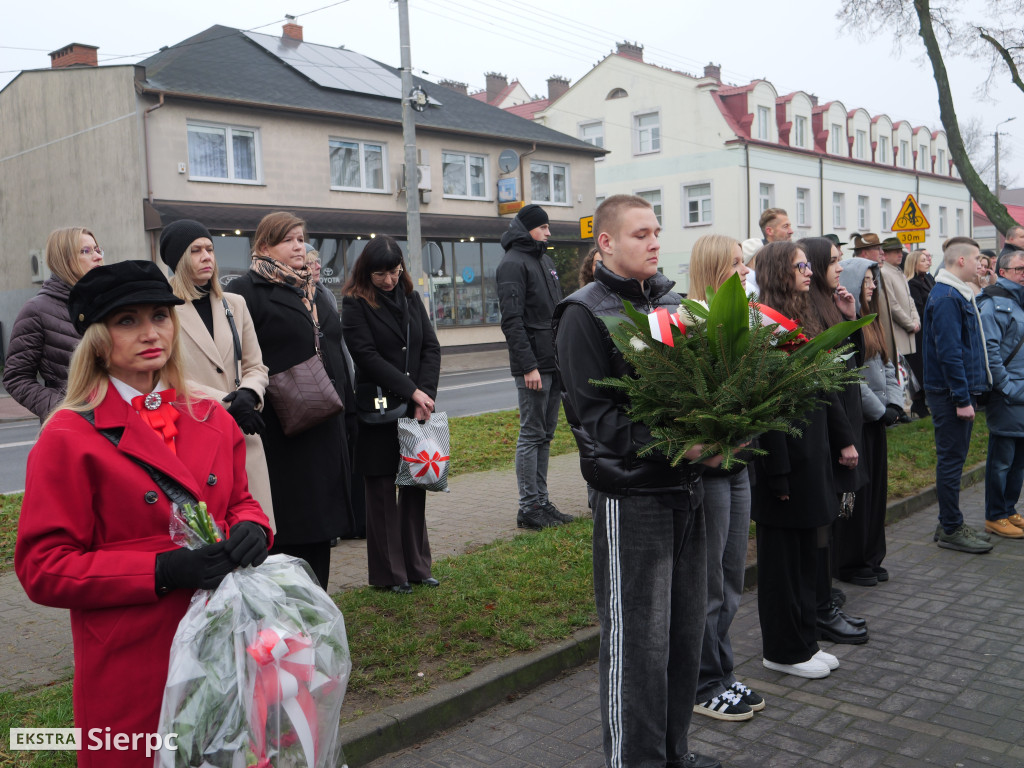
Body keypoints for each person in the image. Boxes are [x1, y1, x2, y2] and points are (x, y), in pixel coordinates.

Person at [15, 260, 272, 768]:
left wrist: (253, 530)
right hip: (133, 664)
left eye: (160, 315)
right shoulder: (68, 437)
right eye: (127, 320)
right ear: (94, 337)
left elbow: (240, 499)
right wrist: (160, 569)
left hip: (223, 652)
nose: (151, 333)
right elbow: (43, 567)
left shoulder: (211, 416)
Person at [553, 194, 722, 768]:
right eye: (640, 234)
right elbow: (599, 421)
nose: (654, 242)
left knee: (682, 638)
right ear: (605, 243)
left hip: (687, 488)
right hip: (633, 499)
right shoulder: (582, 313)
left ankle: (674, 753)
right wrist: (683, 445)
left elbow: (697, 395)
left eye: (657, 231)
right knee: (637, 648)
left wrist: (725, 435)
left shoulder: (672, 302)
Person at [226, 211, 354, 588]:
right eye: (290, 240)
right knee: (292, 530)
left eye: (302, 239)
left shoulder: (311, 291)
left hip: (325, 421)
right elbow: (242, 359)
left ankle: (318, 608)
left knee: (321, 531)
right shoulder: (246, 291)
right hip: (283, 429)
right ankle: (287, 622)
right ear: (265, 246)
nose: (301, 246)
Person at [753, 241, 846, 679]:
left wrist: (840, 441)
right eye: (800, 266)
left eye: (809, 264)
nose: (809, 271)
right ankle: (783, 649)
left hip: (811, 455)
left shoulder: (801, 315)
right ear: (778, 272)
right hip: (785, 460)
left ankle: (806, 639)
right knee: (783, 565)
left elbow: (826, 389)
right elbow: (766, 408)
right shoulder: (765, 324)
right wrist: (779, 472)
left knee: (807, 557)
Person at [687, 234, 765, 723]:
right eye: (736, 263)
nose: (744, 271)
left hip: (740, 465)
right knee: (710, 584)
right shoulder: (688, 320)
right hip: (710, 470)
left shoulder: (747, 318)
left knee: (733, 578)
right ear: (714, 267)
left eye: (745, 263)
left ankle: (722, 671)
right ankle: (702, 683)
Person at [161, 218, 276, 533]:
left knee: (253, 529)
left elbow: (256, 366)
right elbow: (168, 376)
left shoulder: (234, 305)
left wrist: (250, 394)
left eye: (210, 249)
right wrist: (230, 403)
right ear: (178, 260)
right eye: (196, 250)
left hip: (243, 431)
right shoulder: (163, 310)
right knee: (210, 533)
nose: (207, 257)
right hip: (196, 431)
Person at [342, 236, 442, 594]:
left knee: (416, 485)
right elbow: (367, 356)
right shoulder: (354, 304)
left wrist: (424, 396)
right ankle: (389, 573)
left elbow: (430, 347)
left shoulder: (411, 297)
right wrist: (410, 390)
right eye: (381, 274)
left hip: (416, 407)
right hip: (378, 410)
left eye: (395, 272)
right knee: (382, 491)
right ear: (366, 272)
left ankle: (417, 565)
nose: (389, 281)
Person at [797, 237, 869, 641]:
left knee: (833, 519)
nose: (840, 268)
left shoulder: (829, 302)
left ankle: (825, 599)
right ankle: (820, 605)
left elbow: (849, 363)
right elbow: (826, 381)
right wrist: (844, 437)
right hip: (829, 429)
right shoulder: (807, 308)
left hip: (843, 421)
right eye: (834, 261)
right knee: (824, 521)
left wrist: (849, 316)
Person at [496, 203, 571, 530]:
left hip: (552, 361)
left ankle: (541, 501)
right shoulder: (512, 264)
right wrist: (528, 366)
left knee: (546, 434)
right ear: (528, 228)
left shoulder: (545, 259)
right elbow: (512, 322)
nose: (549, 231)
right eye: (543, 227)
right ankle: (529, 507)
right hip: (534, 366)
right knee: (531, 434)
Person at [836, 257, 904, 587]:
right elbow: (850, 378)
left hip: (878, 418)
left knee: (877, 492)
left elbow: (887, 364)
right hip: (860, 421)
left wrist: (894, 402)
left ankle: (872, 555)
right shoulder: (845, 323)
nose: (873, 286)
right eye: (866, 281)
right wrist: (880, 409)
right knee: (857, 497)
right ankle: (851, 560)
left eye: (873, 280)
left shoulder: (872, 320)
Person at [923, 236, 993, 553]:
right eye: (977, 258)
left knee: (954, 460)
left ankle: (947, 520)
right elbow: (950, 354)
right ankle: (951, 527)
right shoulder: (949, 297)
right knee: (951, 462)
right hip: (950, 396)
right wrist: (962, 399)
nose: (982, 264)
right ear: (961, 261)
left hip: (954, 393)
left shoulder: (956, 293)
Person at [3, 226, 104, 421]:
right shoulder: (37, 310)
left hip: (119, 423)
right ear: (64, 260)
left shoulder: (108, 302)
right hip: (72, 430)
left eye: (97, 249)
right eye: (86, 251)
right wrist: (67, 408)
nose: (98, 257)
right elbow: (16, 378)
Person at [977, 248, 1024, 539]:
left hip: (1021, 392)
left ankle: (1008, 509)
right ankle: (995, 515)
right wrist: (1005, 387)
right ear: (1003, 272)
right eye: (1020, 269)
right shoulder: (994, 303)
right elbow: (989, 351)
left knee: (1019, 458)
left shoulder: (1020, 302)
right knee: (1002, 458)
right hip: (1007, 394)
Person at [905, 249, 935, 418]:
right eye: (923, 260)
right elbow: (919, 307)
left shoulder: (929, 279)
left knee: (927, 365)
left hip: (930, 329)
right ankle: (918, 402)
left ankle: (922, 401)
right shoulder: (913, 283)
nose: (927, 262)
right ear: (914, 264)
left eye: (927, 259)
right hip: (920, 330)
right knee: (918, 367)